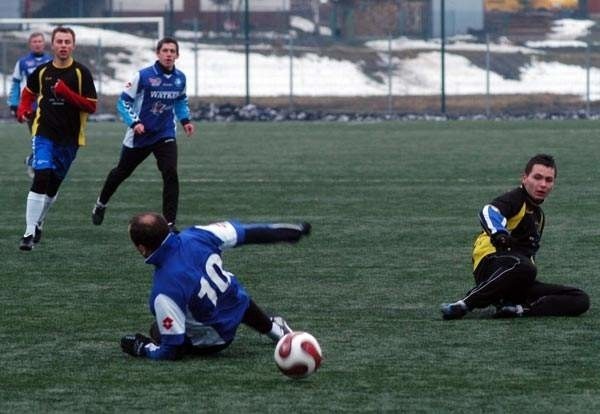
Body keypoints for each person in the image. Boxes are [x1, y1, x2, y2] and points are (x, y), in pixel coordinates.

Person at [120, 212, 311, 360]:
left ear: (142, 248)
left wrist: (142, 348)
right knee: (231, 293)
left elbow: (172, 350)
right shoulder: (198, 234)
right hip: (239, 304)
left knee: (156, 330)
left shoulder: (164, 289)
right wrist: (292, 231)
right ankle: (276, 331)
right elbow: (250, 233)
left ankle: (273, 329)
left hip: (215, 340)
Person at [440, 154, 589, 319]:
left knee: (579, 298)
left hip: (519, 273)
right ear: (524, 178)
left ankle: (515, 308)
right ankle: (464, 304)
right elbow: (488, 211)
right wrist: (499, 234)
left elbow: (529, 253)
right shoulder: (515, 198)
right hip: (491, 265)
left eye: (549, 180)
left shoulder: (538, 216)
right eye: (537, 177)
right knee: (525, 267)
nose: (543, 184)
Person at [92, 37, 195, 231]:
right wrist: (135, 122)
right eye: (165, 51)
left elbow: (180, 100)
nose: (169, 54)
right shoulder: (144, 76)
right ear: (158, 53)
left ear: (177, 55)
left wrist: (185, 121)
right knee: (121, 172)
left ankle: (170, 224)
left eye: (172, 51)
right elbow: (123, 102)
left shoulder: (180, 78)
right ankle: (101, 203)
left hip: (164, 133)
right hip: (140, 135)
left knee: (170, 172)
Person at [16, 26, 97, 250]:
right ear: (53, 45)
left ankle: (40, 220)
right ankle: (28, 232)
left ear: (73, 45)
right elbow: (28, 93)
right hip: (44, 133)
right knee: (41, 176)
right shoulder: (42, 71)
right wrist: (23, 110)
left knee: (52, 186)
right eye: (59, 41)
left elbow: (91, 106)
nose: (63, 45)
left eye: (67, 42)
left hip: (70, 139)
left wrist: (67, 94)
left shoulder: (81, 73)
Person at [6, 32, 52, 178]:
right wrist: (14, 104)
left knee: (52, 138)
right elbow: (16, 83)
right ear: (30, 44)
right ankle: (36, 165)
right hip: (31, 108)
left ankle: (32, 160)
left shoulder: (51, 60)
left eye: (40, 41)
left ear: (44, 44)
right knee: (38, 137)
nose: (37, 44)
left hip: (50, 107)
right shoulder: (22, 63)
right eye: (34, 41)